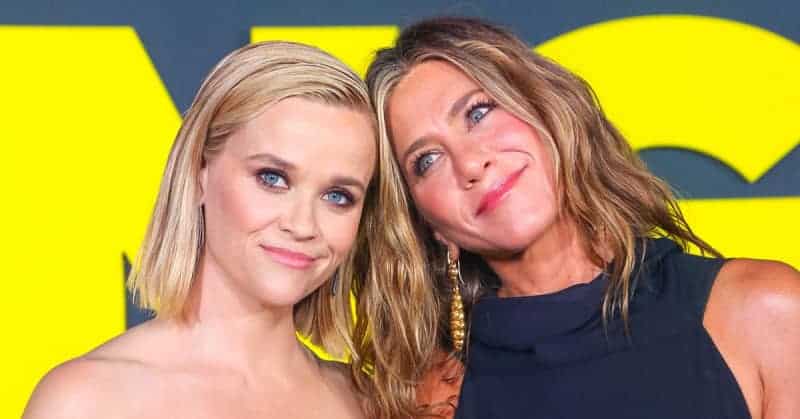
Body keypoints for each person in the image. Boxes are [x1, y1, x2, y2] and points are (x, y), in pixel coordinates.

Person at [365, 17, 800, 419]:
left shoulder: (762, 313)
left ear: (547, 110)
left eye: (477, 113)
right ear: (427, 223)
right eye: (427, 160)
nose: (470, 163)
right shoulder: (426, 399)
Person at [23, 41, 378, 419]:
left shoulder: (366, 403)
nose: (303, 224)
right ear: (198, 173)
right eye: (272, 178)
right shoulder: (85, 402)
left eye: (338, 196)